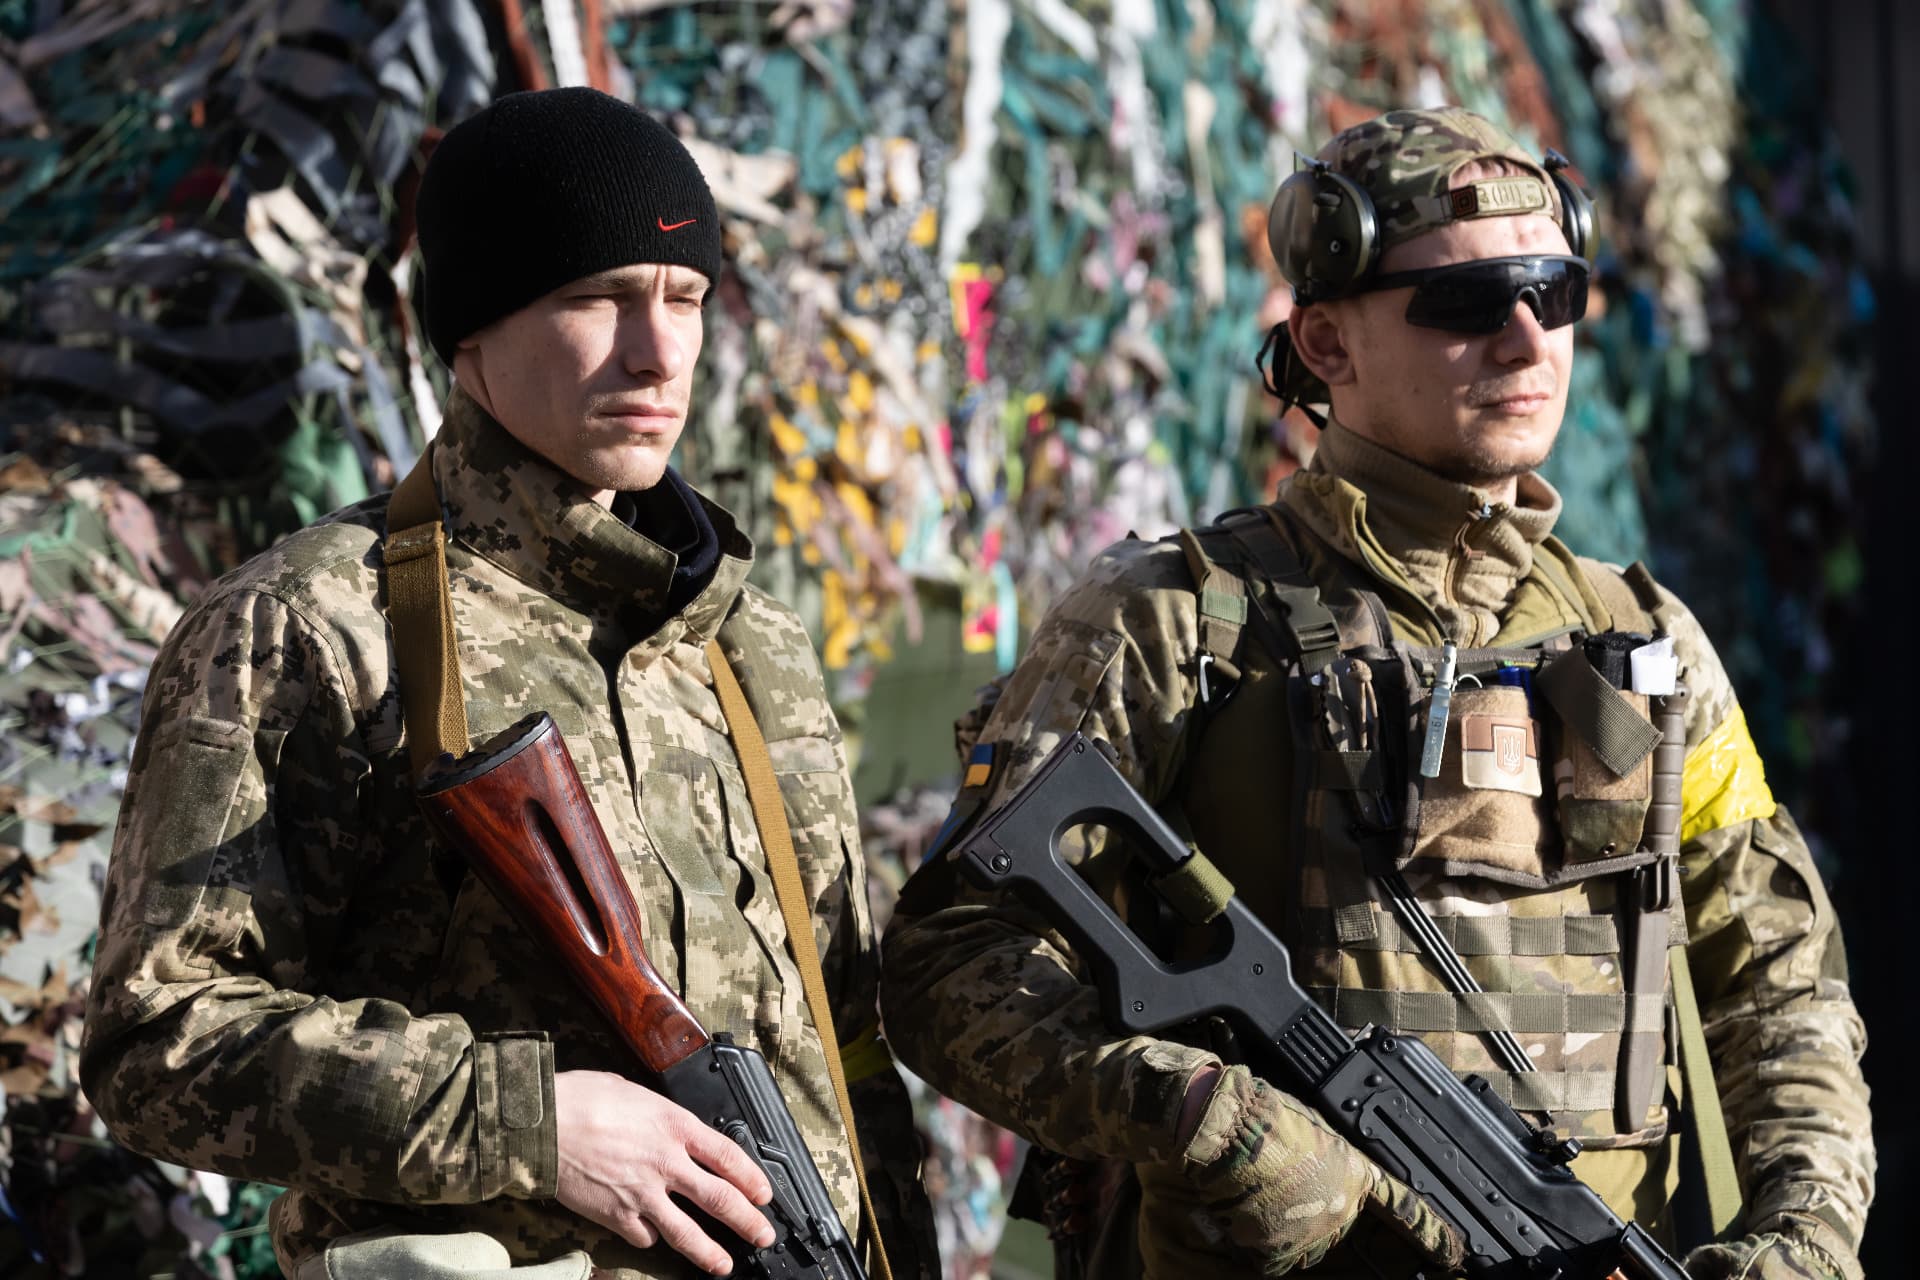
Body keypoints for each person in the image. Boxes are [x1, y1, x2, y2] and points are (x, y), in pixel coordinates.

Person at [880, 108, 1873, 1280]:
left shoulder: (1651, 642)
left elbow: (1781, 985)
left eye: (1554, 294)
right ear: (1326, 340)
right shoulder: (1175, 619)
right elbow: (952, 959)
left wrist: (1804, 1241)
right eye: (1467, 301)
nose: (1525, 340)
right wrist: (1193, 1111)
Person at [81, 87, 935, 1280]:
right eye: (600, 296)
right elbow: (157, 1040)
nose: (658, 351)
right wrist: (529, 1122)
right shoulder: (314, 624)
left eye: (686, 298)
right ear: (472, 327)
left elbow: (844, 1053)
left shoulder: (753, 644)